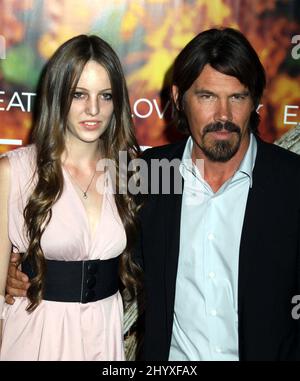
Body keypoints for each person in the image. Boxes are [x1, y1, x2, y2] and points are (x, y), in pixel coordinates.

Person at [5, 27, 300, 362]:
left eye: (237, 97)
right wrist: (23, 271)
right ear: (178, 97)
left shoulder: (291, 183)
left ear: (255, 100)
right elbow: (95, 245)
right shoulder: (149, 174)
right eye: (206, 96)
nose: (223, 116)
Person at [0, 34, 141, 361]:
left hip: (104, 335)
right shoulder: (14, 173)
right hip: (36, 337)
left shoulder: (132, 173)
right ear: (57, 95)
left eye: (105, 96)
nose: (94, 109)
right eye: (79, 94)